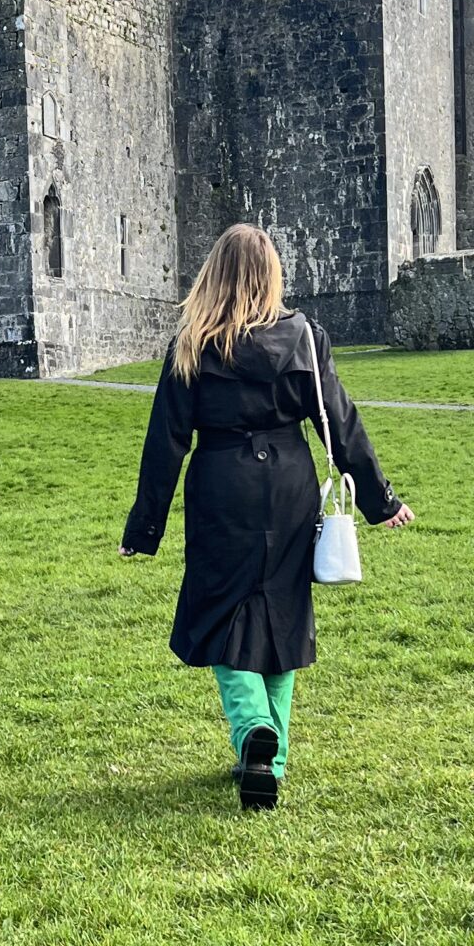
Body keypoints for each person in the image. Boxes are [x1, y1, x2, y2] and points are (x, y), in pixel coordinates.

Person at [120, 223, 413, 810]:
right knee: (283, 611)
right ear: (271, 274)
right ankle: (269, 762)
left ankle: (255, 729)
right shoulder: (305, 337)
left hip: (222, 484)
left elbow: (166, 442)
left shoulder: (193, 343)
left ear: (216, 274)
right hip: (289, 485)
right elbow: (340, 422)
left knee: (221, 613)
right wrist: (381, 502)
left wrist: (144, 529)